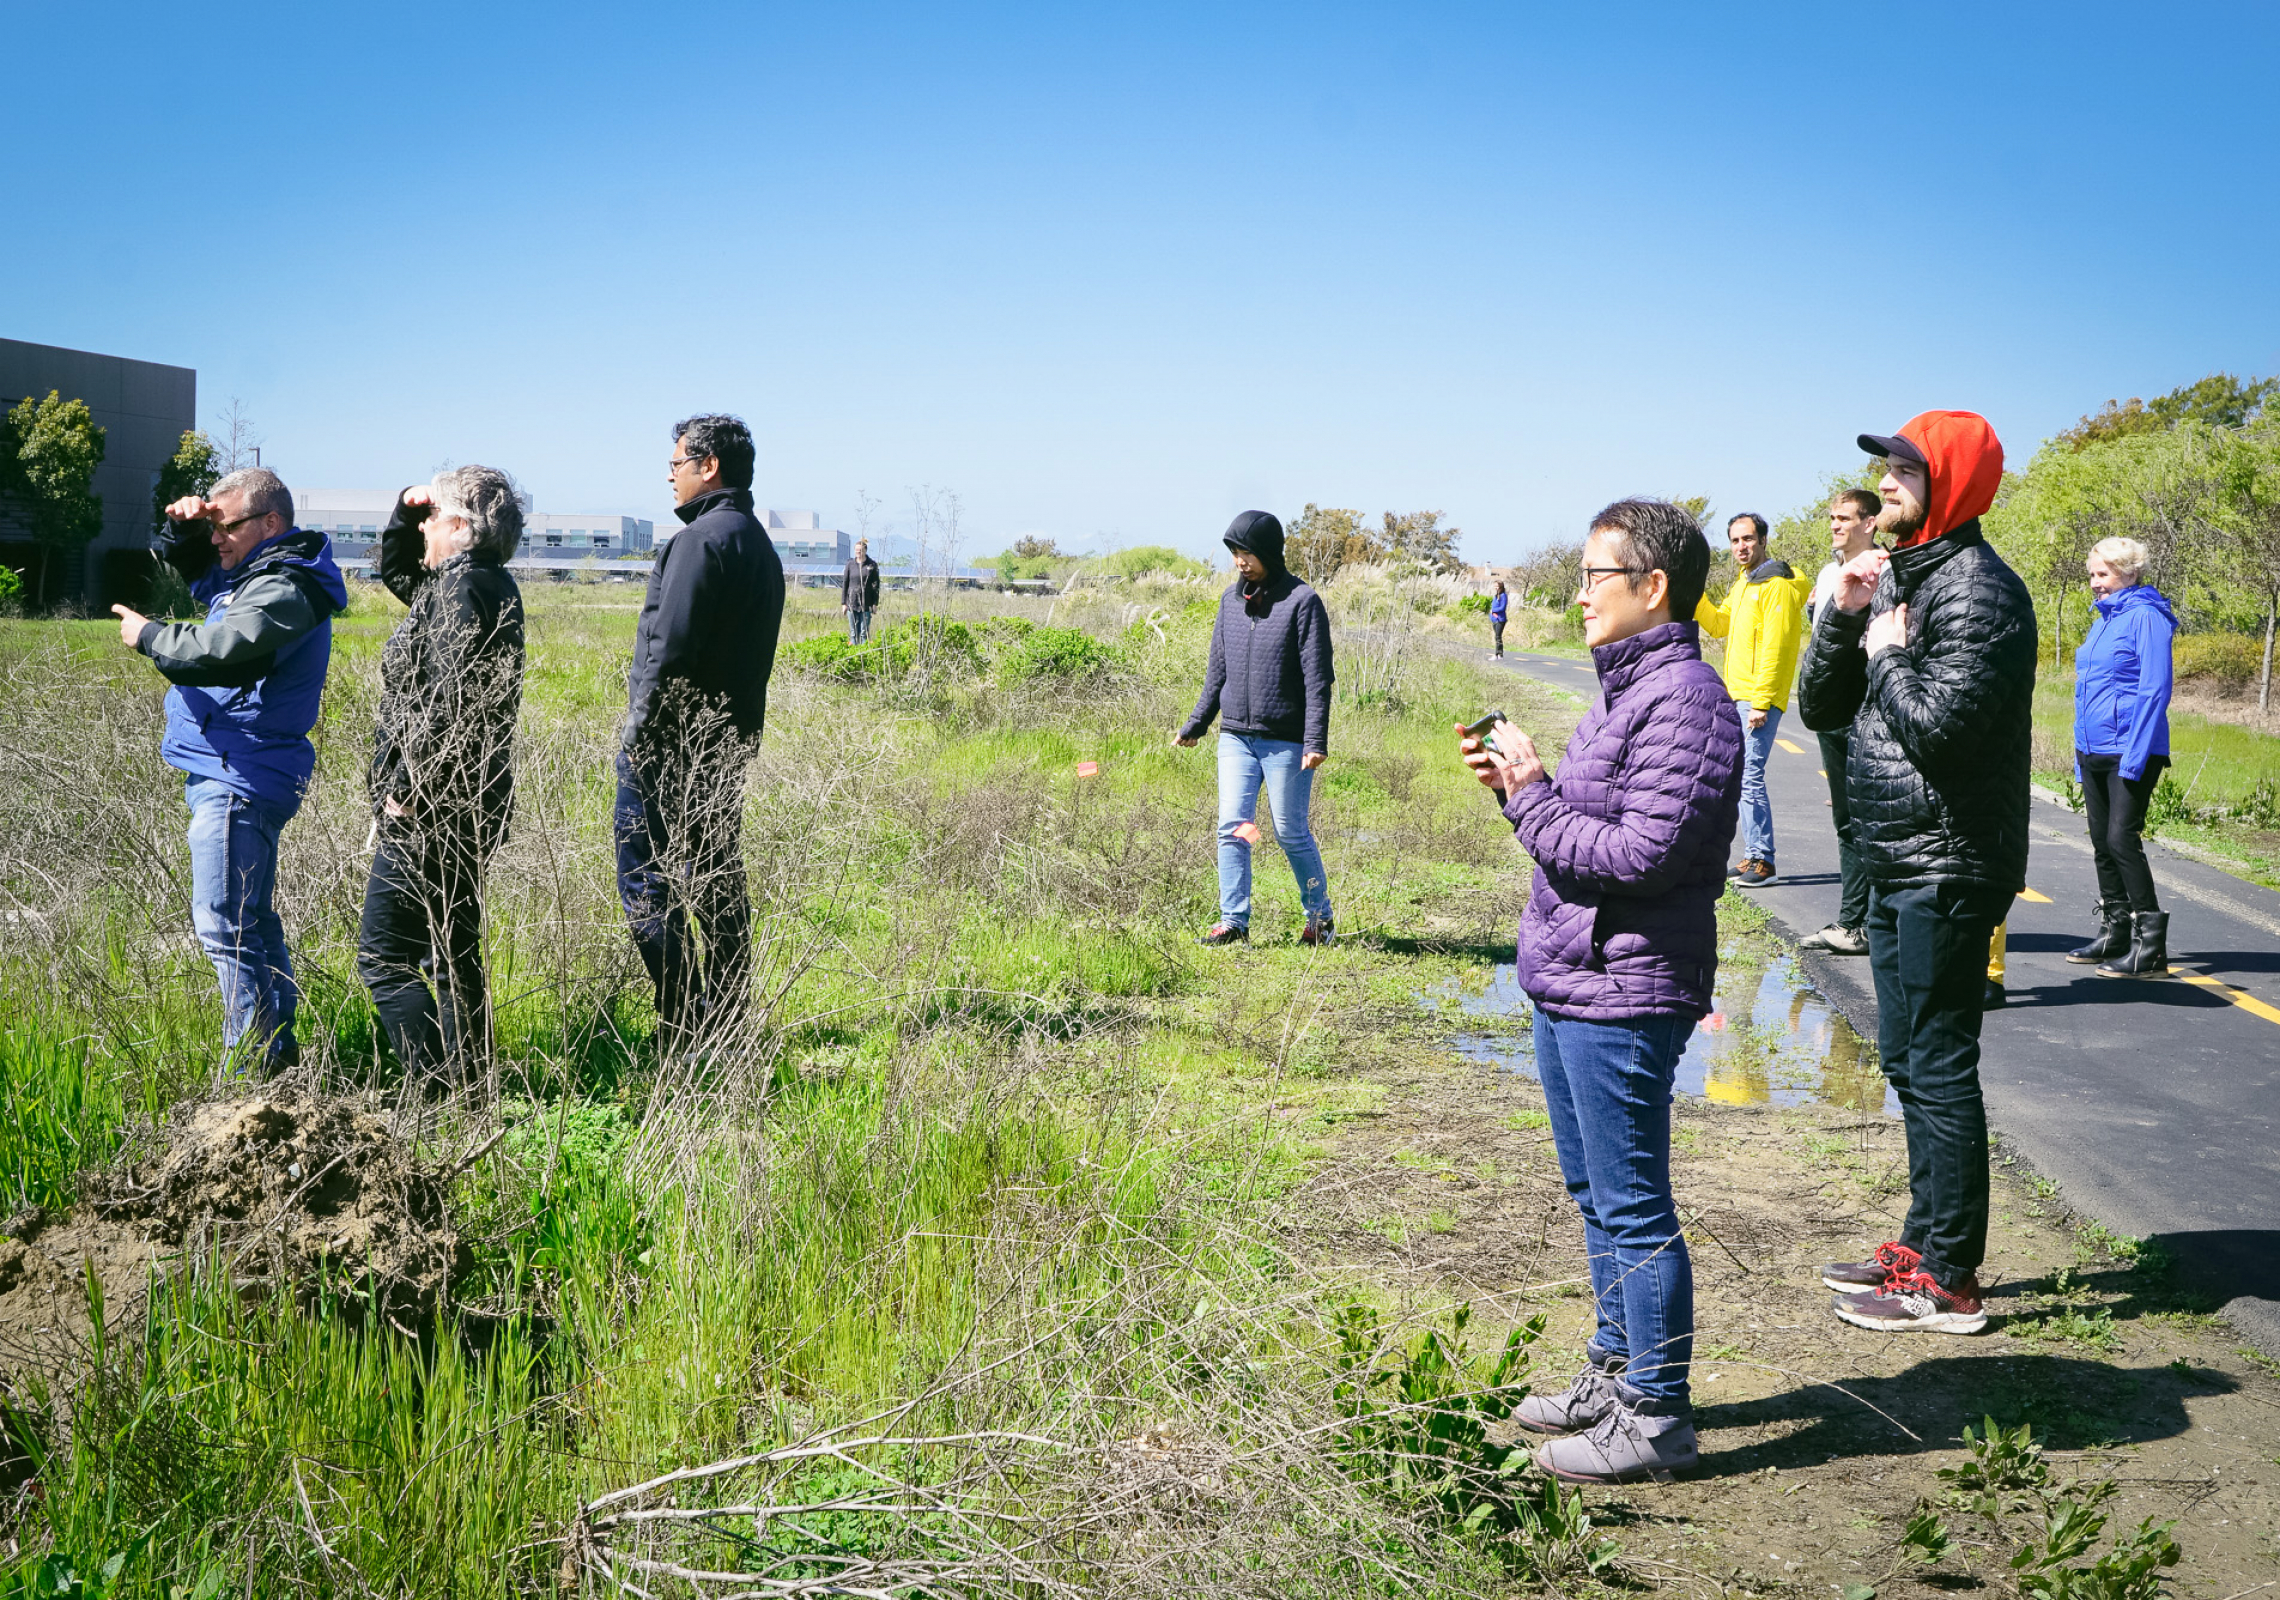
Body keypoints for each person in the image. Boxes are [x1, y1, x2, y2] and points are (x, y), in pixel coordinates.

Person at [1460, 497, 1738, 1484]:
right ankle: (1616, 1373)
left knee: (1632, 1206)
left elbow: (1640, 852)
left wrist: (1534, 793)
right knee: (1596, 1195)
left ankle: (1657, 1417)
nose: (1577, 594)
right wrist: (1519, 786)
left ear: (1651, 587)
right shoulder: (1627, 691)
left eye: (1593, 576)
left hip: (1626, 984)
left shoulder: (1687, 701)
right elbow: (1574, 826)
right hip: (1574, 973)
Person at [1800, 411, 2035, 1335]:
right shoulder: (1900, 576)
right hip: (1897, 855)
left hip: (1949, 860)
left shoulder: (1980, 592)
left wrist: (1890, 652)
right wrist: (1848, 616)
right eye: (1884, 468)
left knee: (1938, 1067)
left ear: (1952, 483)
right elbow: (1824, 704)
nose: (1886, 483)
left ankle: (1950, 1282)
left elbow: (1942, 728)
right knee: (1903, 1059)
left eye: (1904, 469)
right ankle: (1921, 1247)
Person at [110, 468, 346, 1071]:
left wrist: (149, 635)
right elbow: (196, 570)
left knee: (224, 928)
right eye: (213, 526)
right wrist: (182, 523)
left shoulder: (285, 587)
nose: (217, 538)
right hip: (234, 768)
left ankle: (248, 1076)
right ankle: (280, 1062)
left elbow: (225, 653)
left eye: (227, 524)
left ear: (270, 524)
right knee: (253, 924)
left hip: (238, 777)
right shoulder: (258, 573)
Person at [617, 414, 786, 1049]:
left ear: (708, 466)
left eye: (678, 462)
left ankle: (684, 1021)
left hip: (671, 747)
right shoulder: (758, 544)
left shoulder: (697, 543)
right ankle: (727, 1018)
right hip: (728, 742)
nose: (670, 472)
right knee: (716, 877)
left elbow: (668, 653)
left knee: (645, 879)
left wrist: (639, 738)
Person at [356, 467, 526, 1088]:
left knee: (384, 956)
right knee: (451, 954)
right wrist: (405, 511)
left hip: (432, 806)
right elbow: (397, 571)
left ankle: (432, 1092)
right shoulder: (478, 584)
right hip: (472, 800)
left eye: (432, 517)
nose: (423, 527)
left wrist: (405, 788)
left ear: (458, 526)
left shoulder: (459, 593)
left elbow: (452, 703)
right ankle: (470, 1093)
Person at [1174, 511, 1335, 946]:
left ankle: (1320, 921)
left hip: (1286, 741)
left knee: (1289, 831)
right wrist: (1198, 723)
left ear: (1268, 551)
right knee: (1233, 826)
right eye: (1234, 553)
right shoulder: (1230, 601)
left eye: (1246, 552)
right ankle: (1234, 922)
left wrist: (1315, 739)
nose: (1239, 561)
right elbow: (1217, 670)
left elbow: (1318, 679)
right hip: (1236, 738)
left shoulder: (1302, 601)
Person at [2067, 536, 2176, 978]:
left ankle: (2151, 948)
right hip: (2093, 748)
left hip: (2131, 750)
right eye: (2092, 574)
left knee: (2120, 840)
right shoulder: (2103, 621)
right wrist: (2080, 755)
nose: (2095, 583)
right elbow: (2086, 689)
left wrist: (2134, 757)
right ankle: (2115, 932)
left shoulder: (2147, 617)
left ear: (2129, 572)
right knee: (2100, 843)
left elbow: (2154, 690)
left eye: (2103, 575)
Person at [1695, 512, 1810, 887]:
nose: (1741, 547)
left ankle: (1763, 861)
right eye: (1735, 541)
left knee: (1750, 777)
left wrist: (1761, 701)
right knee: (1742, 777)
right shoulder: (1745, 583)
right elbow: (1718, 624)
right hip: (1739, 694)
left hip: (1758, 698)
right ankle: (1753, 856)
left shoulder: (1774, 585)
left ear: (1762, 540)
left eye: (1747, 539)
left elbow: (1776, 648)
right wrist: (1691, 591)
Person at [1798, 489, 1882, 956]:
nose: (1835, 525)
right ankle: (1853, 920)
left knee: (1864, 818)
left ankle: (1864, 923)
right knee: (1845, 818)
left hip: (1858, 708)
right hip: (1829, 711)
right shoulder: (1831, 571)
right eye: (1832, 516)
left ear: (1870, 523)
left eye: (1846, 518)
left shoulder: (1881, 570)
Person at [842, 536, 881, 644]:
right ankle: (854, 655)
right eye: (857, 550)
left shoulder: (871, 565)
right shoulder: (850, 564)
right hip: (852, 602)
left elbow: (876, 585)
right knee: (853, 633)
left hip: (866, 603)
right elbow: (845, 583)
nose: (858, 552)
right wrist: (844, 603)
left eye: (861, 550)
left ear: (865, 550)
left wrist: (875, 603)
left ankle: (864, 655)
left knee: (864, 633)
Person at [1488, 579, 1509, 658]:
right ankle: (1500, 654)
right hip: (1494, 619)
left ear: (1501, 586)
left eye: (1497, 586)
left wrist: (1493, 610)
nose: (1495, 587)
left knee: (1498, 636)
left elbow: (1502, 608)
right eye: (1495, 586)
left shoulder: (1503, 595)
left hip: (1500, 619)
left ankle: (1497, 654)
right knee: (1497, 636)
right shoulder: (1496, 596)